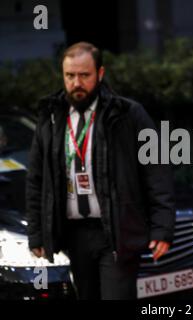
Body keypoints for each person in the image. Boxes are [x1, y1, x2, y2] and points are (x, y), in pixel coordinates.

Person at [26, 42, 175, 300]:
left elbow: (156, 171)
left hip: (115, 231)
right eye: (70, 76)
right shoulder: (50, 116)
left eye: (84, 75)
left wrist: (163, 227)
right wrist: (37, 234)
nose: (76, 83)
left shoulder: (127, 114)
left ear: (100, 73)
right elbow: (36, 179)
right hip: (73, 234)